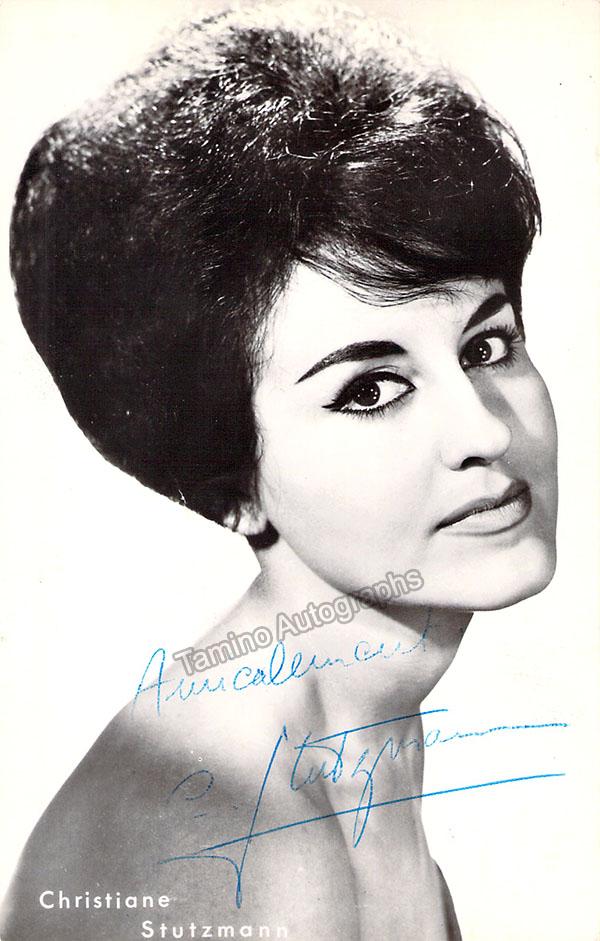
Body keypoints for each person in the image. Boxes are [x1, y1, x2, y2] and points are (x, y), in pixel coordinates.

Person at [1, 3, 558, 939]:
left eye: (486, 345)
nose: (483, 430)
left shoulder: (352, 734)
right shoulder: (234, 837)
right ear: (232, 479)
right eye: (370, 389)